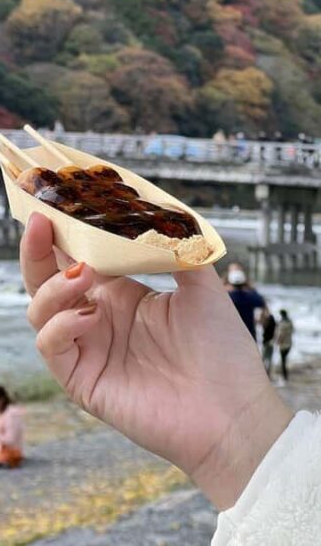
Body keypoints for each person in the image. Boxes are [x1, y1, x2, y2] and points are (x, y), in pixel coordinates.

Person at [20, 213, 321, 545]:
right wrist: (238, 432)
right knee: (270, 363)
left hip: (233, 355)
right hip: (228, 357)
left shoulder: (237, 295)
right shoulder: (247, 296)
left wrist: (240, 430)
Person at [226, 265, 265, 340]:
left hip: (231, 334)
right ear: (244, 282)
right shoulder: (250, 296)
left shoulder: (227, 298)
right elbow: (261, 302)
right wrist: (251, 288)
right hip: (248, 333)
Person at [276, 309, 294, 383]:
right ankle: (285, 376)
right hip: (289, 343)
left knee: (283, 361)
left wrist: (278, 341)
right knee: (284, 360)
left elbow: (281, 334)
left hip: (283, 345)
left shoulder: (282, 323)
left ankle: (284, 377)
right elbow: (293, 331)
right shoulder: (290, 322)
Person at [261, 307, 276, 377]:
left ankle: (265, 373)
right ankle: (267, 373)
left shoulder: (268, 319)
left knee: (264, 358)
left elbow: (263, 325)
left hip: (267, 342)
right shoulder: (272, 319)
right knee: (268, 358)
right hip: (271, 341)